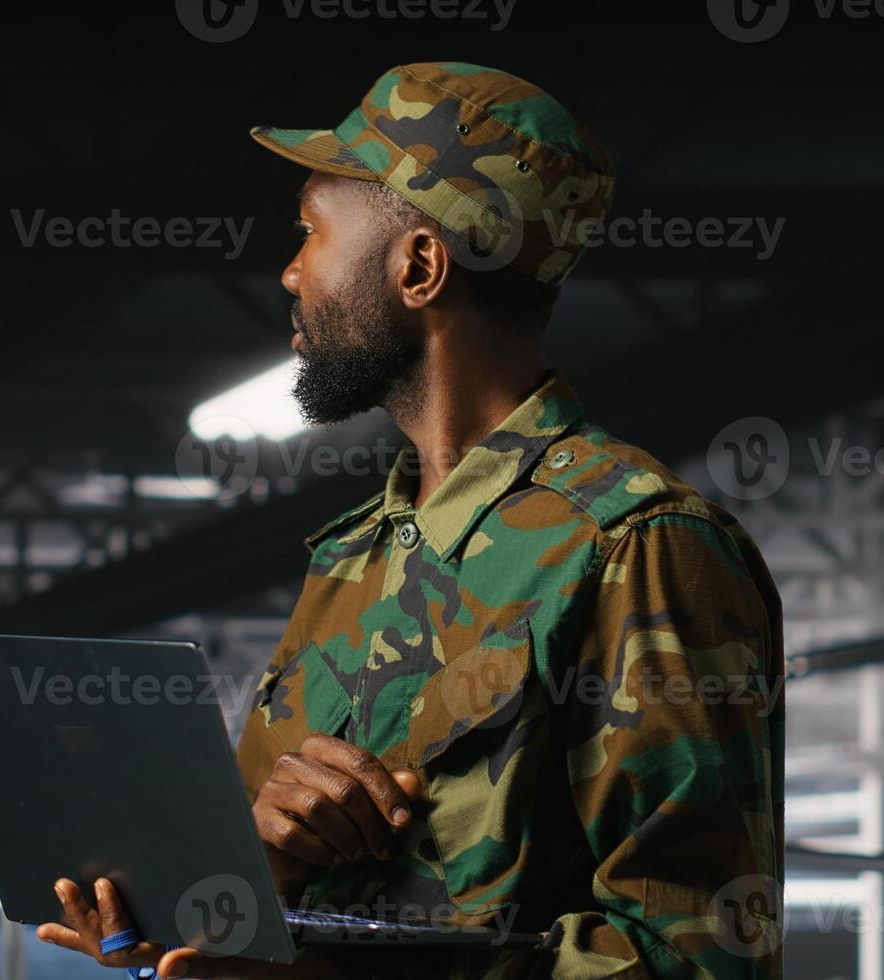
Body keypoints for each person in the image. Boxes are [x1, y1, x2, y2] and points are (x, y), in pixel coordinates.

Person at [38, 61, 785, 979]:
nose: (288, 271)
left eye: (309, 232)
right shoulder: (355, 552)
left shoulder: (637, 544)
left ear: (419, 266)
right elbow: (291, 916)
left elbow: (700, 958)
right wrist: (222, 889)